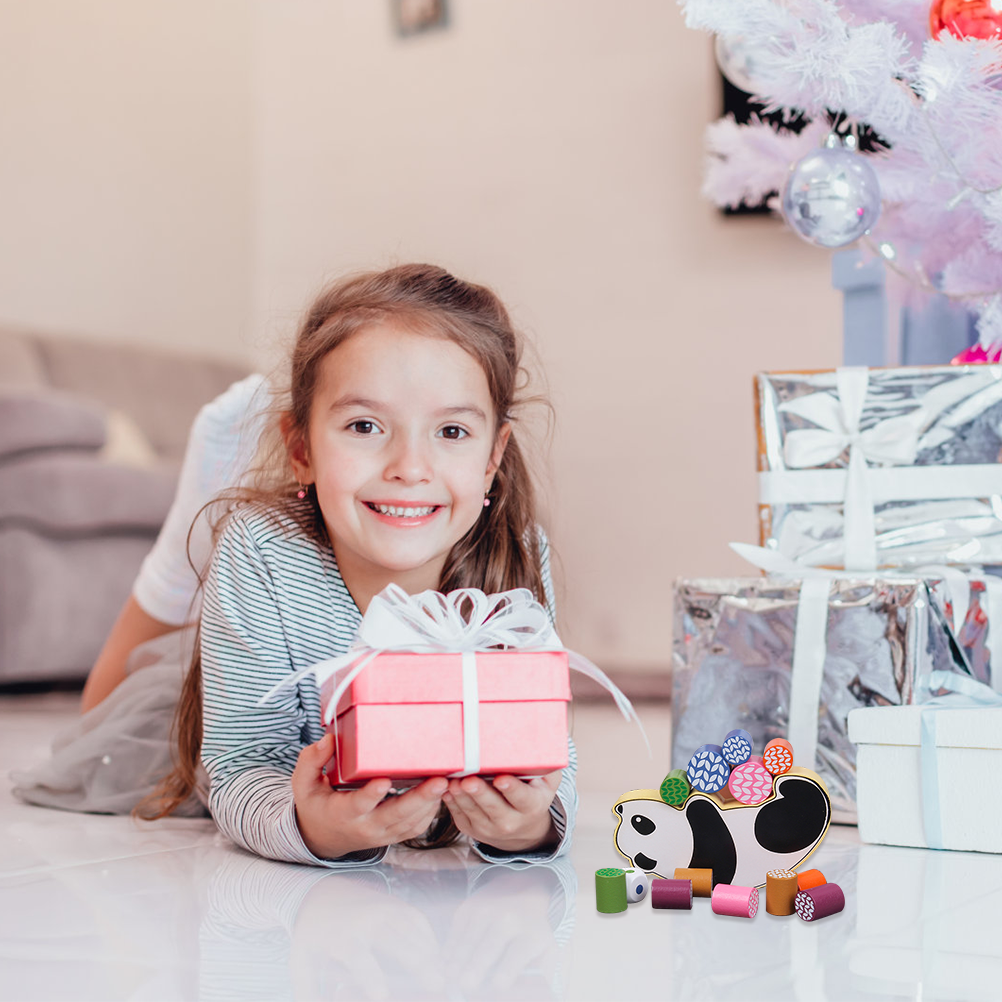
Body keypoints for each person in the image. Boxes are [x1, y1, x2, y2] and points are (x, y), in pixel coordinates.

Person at [13, 263, 576, 869]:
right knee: (107, 727)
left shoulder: (517, 552)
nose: (410, 467)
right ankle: (183, 545)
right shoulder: (261, 550)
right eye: (365, 426)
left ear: (494, 457)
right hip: (217, 702)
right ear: (302, 449)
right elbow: (237, 771)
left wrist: (529, 827)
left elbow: (550, 760)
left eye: (451, 431)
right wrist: (314, 829)